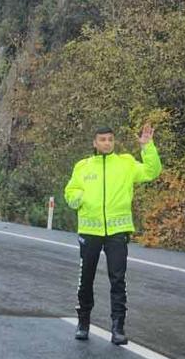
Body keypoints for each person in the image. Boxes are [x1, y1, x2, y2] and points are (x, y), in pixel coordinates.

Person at [64, 123, 162, 345]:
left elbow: (151, 171)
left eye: (110, 139)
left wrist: (148, 147)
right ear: (95, 143)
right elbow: (70, 191)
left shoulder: (125, 163)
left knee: (118, 279)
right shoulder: (83, 166)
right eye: (102, 139)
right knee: (85, 278)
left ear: (113, 141)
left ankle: (118, 327)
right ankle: (83, 323)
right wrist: (79, 199)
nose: (107, 143)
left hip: (117, 231)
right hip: (90, 230)